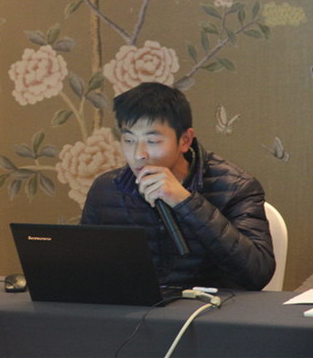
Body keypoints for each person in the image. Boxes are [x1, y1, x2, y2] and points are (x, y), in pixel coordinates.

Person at [81, 82, 275, 290]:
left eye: (152, 141)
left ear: (185, 140)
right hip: (136, 306)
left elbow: (258, 273)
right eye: (129, 140)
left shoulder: (236, 187)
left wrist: (186, 202)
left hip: (213, 306)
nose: (138, 154)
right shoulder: (106, 189)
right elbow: (84, 268)